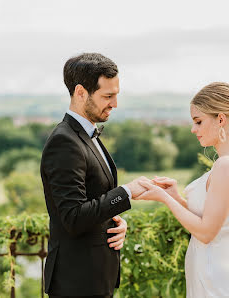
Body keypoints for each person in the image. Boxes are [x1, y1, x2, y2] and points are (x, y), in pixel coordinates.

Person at [40, 53, 148, 298]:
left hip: (96, 279)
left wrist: (115, 223)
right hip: (76, 283)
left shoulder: (86, 136)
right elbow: (73, 217)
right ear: (80, 92)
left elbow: (94, 202)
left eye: (116, 95)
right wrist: (127, 193)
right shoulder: (64, 142)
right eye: (107, 96)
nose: (115, 104)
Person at [137, 82, 229, 297]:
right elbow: (211, 220)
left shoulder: (227, 165)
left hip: (216, 279)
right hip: (211, 272)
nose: (193, 129)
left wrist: (165, 198)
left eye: (198, 121)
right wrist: (177, 197)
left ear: (220, 119)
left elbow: (207, 232)